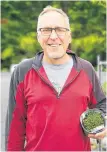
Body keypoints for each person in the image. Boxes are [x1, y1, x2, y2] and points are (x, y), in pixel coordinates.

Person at [5, 5, 106, 151]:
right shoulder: (23, 72)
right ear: (38, 36)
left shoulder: (86, 69)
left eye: (60, 29)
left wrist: (99, 122)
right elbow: (14, 129)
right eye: (46, 30)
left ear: (69, 36)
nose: (53, 36)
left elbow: (102, 105)